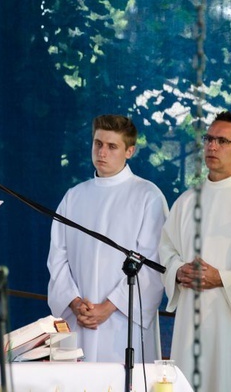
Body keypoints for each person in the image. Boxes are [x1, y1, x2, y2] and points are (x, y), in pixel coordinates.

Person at [159, 111, 231, 391]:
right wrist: (178, 270)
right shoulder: (186, 202)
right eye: (208, 139)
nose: (212, 146)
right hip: (190, 320)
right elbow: (166, 251)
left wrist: (222, 278)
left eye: (222, 141)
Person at [47, 114, 168, 363]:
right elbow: (57, 259)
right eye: (98, 143)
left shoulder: (148, 196)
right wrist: (74, 302)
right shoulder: (74, 196)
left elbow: (152, 264)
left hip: (123, 320)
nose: (102, 152)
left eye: (112, 146)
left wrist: (108, 308)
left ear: (130, 151)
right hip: (78, 318)